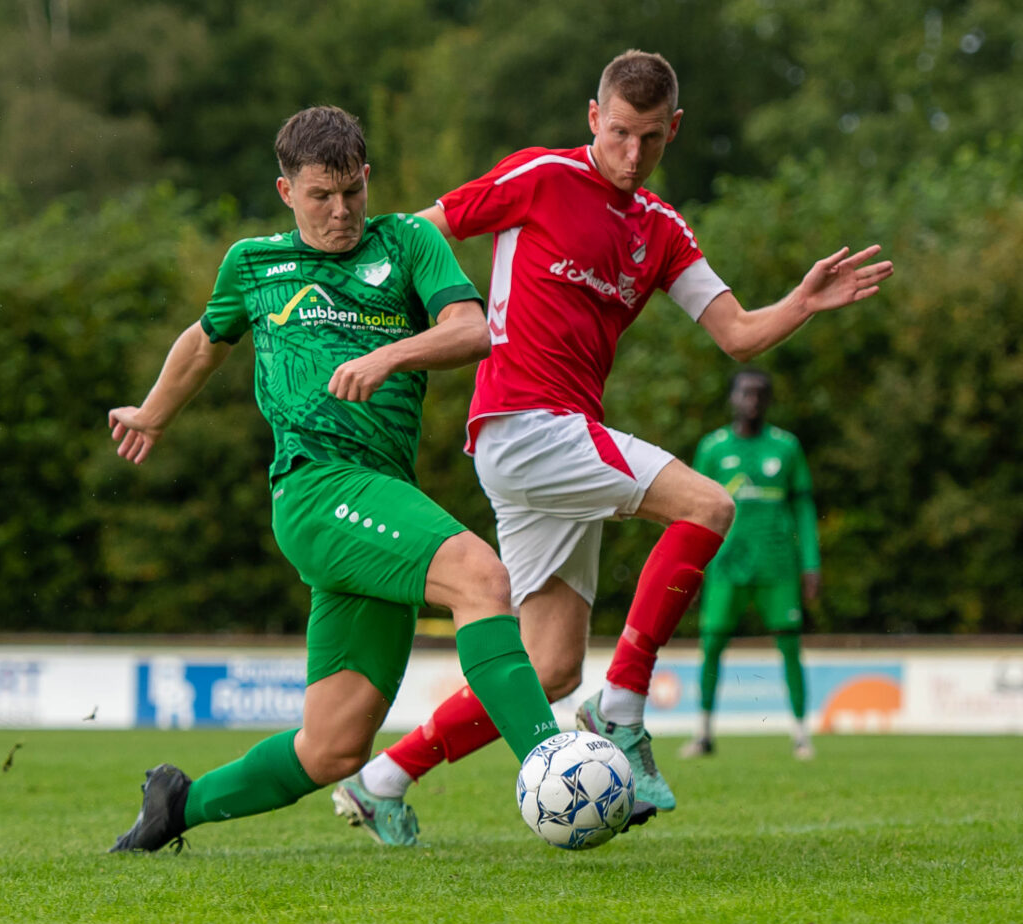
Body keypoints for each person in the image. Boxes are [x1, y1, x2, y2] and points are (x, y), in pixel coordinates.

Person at [336, 49, 893, 843]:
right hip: (523, 421)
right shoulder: (541, 176)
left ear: (675, 130)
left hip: (556, 442)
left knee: (550, 667)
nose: (634, 155)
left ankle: (383, 779)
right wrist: (396, 324)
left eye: (652, 138)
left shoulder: (660, 229)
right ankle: (623, 707)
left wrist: (801, 303)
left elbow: (737, 334)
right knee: (709, 506)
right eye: (621, 133)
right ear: (594, 117)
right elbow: (419, 232)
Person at [106, 105, 559, 853]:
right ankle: (558, 769)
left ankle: (175, 808)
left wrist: (389, 355)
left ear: (368, 178)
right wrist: (153, 414)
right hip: (316, 489)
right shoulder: (252, 263)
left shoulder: (407, 241)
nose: (341, 211)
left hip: (380, 497)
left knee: (334, 748)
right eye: (321, 196)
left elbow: (471, 330)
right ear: (286, 191)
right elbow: (206, 339)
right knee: (481, 578)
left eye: (352, 192)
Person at [680, 369, 821, 761]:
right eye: (745, 393)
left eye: (760, 394)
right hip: (726, 565)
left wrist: (811, 564)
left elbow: (804, 508)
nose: (752, 401)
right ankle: (703, 733)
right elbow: (695, 514)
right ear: (732, 398)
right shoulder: (713, 448)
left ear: (768, 400)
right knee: (711, 644)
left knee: (790, 644)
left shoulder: (786, 447)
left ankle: (801, 735)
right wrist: (691, 567)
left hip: (777, 565)